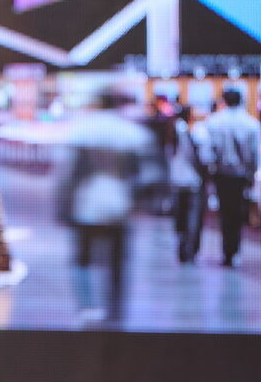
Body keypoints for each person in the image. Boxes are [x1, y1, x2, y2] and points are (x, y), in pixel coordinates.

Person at [62, 90, 153, 327]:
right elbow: (142, 174)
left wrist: (63, 205)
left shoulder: (82, 130)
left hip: (86, 201)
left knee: (82, 257)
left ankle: (87, 305)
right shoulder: (129, 132)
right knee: (117, 260)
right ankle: (115, 307)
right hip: (118, 202)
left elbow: (69, 174)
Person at [204, 88, 260, 267]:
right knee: (238, 213)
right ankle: (234, 250)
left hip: (221, 174)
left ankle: (227, 251)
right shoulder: (250, 123)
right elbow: (254, 154)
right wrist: (252, 173)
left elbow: (208, 151)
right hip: (241, 175)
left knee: (225, 213)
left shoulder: (214, 121)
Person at [169, 107, 207, 263]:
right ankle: (189, 248)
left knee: (180, 215)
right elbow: (202, 157)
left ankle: (183, 245)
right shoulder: (192, 132)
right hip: (193, 181)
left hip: (176, 180)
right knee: (192, 216)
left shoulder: (172, 132)